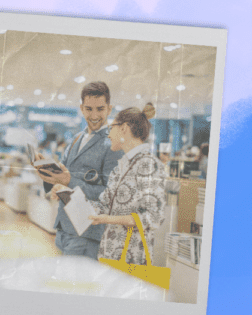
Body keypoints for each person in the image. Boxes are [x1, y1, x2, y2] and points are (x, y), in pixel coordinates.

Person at [54, 103, 166, 264]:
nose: (109, 135)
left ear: (124, 128)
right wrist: (67, 194)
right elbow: (103, 206)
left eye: (111, 128)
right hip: (108, 254)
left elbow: (154, 217)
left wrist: (110, 219)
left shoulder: (149, 164)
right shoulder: (121, 166)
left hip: (131, 259)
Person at [37, 81, 123, 259]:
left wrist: (69, 181)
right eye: (89, 109)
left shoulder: (113, 145)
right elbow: (63, 174)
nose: (94, 115)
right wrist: (50, 179)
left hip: (87, 234)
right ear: (81, 109)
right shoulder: (77, 138)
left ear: (109, 109)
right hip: (63, 228)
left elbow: (110, 194)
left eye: (100, 109)